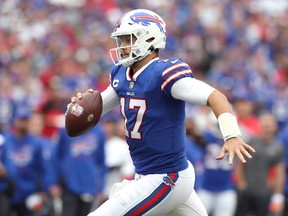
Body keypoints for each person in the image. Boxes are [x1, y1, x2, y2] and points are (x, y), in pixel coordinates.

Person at [68, 9, 255, 216]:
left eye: (128, 39)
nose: (122, 47)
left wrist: (231, 134)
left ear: (149, 39)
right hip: (149, 176)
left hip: (166, 176)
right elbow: (98, 107)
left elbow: (216, 97)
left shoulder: (164, 73)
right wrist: (78, 108)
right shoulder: (121, 74)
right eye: (120, 40)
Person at [234, 111, 285, 216]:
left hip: (263, 191)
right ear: (259, 124)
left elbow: (280, 172)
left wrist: (277, 194)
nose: (267, 124)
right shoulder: (250, 141)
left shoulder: (278, 147)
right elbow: (240, 163)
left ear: (275, 126)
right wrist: (241, 183)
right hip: (246, 189)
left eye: (270, 121)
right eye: (264, 121)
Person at [55, 125, 107, 216]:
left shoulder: (99, 132)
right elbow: (58, 157)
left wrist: (101, 187)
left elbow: (101, 162)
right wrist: (57, 182)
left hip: (89, 185)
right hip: (69, 184)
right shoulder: (66, 130)